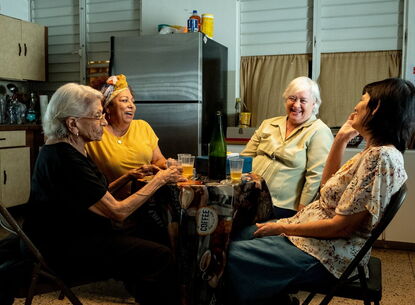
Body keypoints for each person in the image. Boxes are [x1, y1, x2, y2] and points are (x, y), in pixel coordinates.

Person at [226, 78, 415, 305]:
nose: (355, 106)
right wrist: (341, 140)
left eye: (363, 100)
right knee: (233, 237)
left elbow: (342, 227)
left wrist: (282, 226)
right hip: (312, 237)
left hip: (328, 253)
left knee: (227, 256)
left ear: (376, 109)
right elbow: (327, 189)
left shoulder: (380, 157)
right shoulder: (372, 151)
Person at [22, 83, 184, 305]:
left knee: (149, 236)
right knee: (160, 255)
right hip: (65, 249)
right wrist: (160, 180)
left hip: (71, 237)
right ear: (73, 124)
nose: (105, 121)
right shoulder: (66, 159)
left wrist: (128, 176)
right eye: (97, 116)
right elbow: (118, 212)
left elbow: (95, 195)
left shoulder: (68, 149)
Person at [241, 76, 333, 218]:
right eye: (292, 98)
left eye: (303, 100)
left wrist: (301, 213)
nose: (296, 105)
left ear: (314, 104)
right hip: (248, 195)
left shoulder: (319, 131)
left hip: (281, 206)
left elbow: (315, 177)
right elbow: (245, 158)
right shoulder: (268, 123)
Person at [86, 74, 167, 200]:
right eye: (124, 100)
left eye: (132, 101)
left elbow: (158, 159)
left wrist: (168, 164)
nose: (131, 105)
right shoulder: (95, 134)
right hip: (112, 204)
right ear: (108, 107)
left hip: (147, 202)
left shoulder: (143, 126)